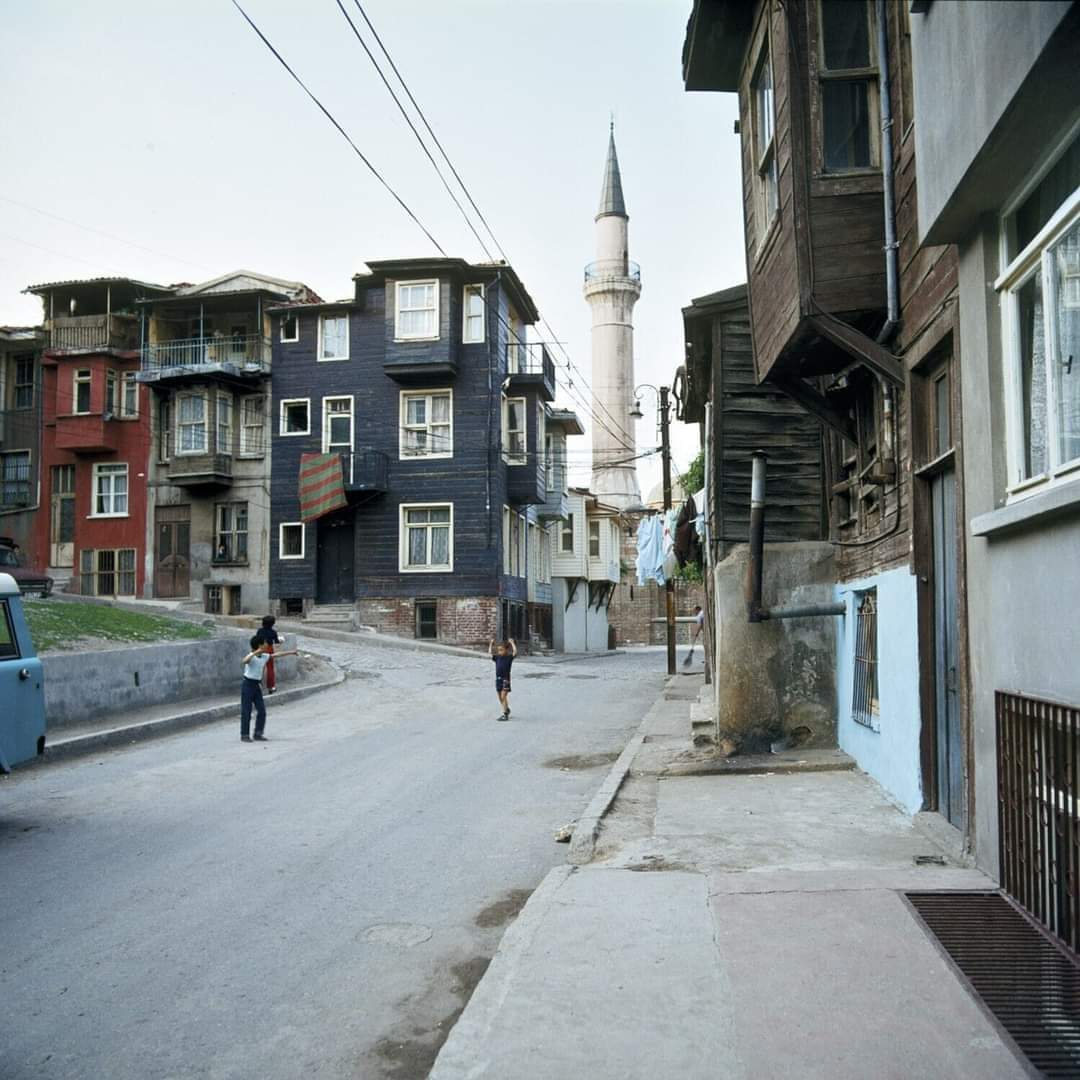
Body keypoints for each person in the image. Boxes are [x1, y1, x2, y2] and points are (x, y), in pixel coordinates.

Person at [240, 636, 297, 743]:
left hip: (257, 685)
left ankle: (258, 733)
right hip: (247, 684)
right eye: (265, 643)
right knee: (246, 711)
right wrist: (255, 652)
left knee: (262, 711)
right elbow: (244, 661)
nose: (267, 645)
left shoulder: (265, 656)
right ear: (259, 645)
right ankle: (244, 735)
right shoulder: (251, 656)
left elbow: (276, 655)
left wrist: (291, 652)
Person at [488, 637, 517, 721]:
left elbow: (515, 652)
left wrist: (512, 643)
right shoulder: (497, 658)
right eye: (498, 650)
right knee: (500, 698)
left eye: (501, 650)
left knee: (503, 696)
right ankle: (507, 709)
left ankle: (505, 715)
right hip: (498, 679)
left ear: (506, 650)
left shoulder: (509, 658)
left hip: (505, 679)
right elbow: (490, 653)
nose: (499, 652)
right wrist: (491, 644)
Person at [253, 614, 282, 693]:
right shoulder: (273, 632)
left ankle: (258, 685)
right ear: (272, 624)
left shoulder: (259, 631)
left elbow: (257, 640)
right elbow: (277, 643)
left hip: (260, 649)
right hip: (269, 649)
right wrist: (281, 641)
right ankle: (271, 687)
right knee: (270, 669)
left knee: (259, 668)